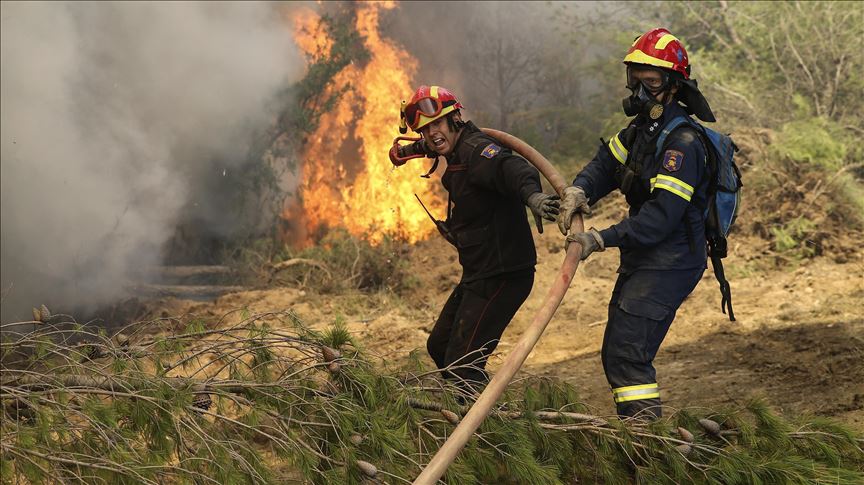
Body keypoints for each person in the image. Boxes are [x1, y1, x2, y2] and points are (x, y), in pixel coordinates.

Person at [557, 28, 718, 419]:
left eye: (653, 81)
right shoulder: (643, 131)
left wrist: (600, 237)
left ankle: (649, 449)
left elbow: (660, 219)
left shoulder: (682, 143)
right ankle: (647, 441)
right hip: (646, 256)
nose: (642, 91)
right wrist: (580, 190)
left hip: (672, 259)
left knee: (628, 355)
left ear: (674, 86)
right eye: (636, 79)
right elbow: (605, 165)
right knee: (618, 350)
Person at [402, 85, 559, 394]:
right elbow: (430, 146)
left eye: (437, 124)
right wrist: (404, 151)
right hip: (479, 273)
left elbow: (511, 169)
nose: (432, 133)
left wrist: (534, 197)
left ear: (455, 118)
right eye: (424, 129)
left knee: (463, 365)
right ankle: (470, 407)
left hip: (504, 275)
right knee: (440, 345)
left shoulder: (478, 151)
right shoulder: (456, 150)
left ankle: (487, 428)